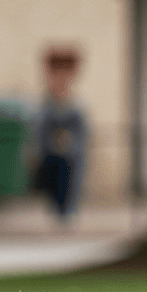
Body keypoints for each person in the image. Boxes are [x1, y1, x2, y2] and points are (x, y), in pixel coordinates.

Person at [34, 48, 87, 222]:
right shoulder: (46, 107)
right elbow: (39, 136)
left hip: (70, 159)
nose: (61, 80)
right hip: (49, 160)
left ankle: (66, 211)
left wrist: (68, 145)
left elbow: (81, 141)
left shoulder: (76, 110)